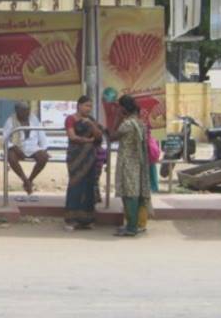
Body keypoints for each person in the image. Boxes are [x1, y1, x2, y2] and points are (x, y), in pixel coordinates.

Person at [106, 95, 153, 237]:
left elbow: (112, 136)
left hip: (127, 162)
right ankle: (135, 225)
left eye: (120, 107)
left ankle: (131, 227)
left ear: (124, 108)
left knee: (129, 194)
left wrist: (116, 118)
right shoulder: (140, 123)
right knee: (136, 193)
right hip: (138, 162)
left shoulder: (127, 124)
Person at [63, 96, 104, 231]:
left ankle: (86, 220)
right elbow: (72, 136)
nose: (88, 108)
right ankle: (71, 220)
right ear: (79, 105)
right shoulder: (71, 119)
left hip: (89, 158)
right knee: (75, 185)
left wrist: (91, 125)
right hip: (75, 157)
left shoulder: (91, 120)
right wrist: (88, 141)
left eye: (90, 106)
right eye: (86, 105)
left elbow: (99, 137)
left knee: (88, 186)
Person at [3, 102, 49, 199]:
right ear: (17, 110)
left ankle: (29, 180)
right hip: (17, 147)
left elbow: (41, 134)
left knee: (44, 157)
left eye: (27, 110)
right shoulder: (10, 120)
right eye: (23, 110)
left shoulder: (33, 118)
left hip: (33, 147)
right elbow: (5, 139)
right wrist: (15, 148)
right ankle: (24, 179)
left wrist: (44, 149)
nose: (26, 112)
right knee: (10, 156)